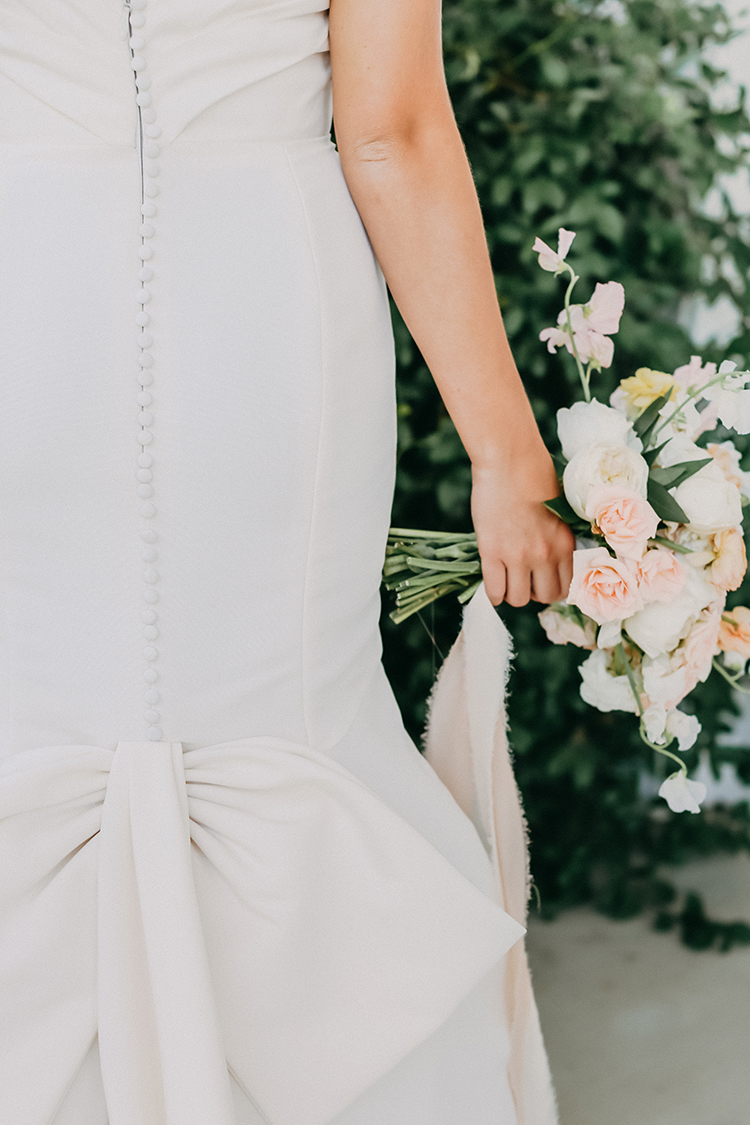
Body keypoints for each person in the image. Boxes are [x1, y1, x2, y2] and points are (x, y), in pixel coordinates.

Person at [0, 1, 573, 1124]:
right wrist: (507, 454)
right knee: (285, 708)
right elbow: (389, 131)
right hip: (265, 310)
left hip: (29, 283)